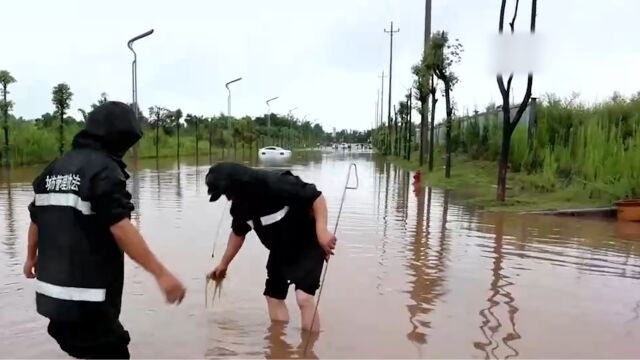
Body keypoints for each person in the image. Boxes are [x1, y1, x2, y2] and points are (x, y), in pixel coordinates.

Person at [23, 101, 186, 359]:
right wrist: (162, 274)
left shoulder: (54, 168)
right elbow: (120, 227)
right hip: (89, 302)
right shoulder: (104, 171)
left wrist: (30, 258)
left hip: (53, 301)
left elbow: (36, 219)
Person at [205, 162, 336, 332]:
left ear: (239, 182)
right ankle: (278, 346)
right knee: (273, 297)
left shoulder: (277, 183)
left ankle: (309, 350)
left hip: (308, 243)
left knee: (303, 298)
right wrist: (223, 265)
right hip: (279, 250)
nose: (228, 199)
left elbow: (316, 197)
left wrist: (322, 231)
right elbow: (238, 234)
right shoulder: (240, 207)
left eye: (227, 193)